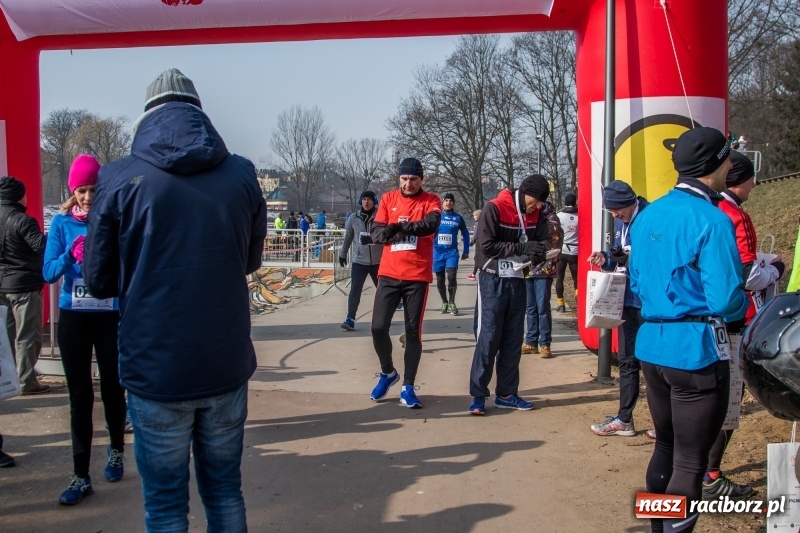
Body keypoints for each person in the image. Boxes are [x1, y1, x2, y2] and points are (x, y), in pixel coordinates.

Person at [83, 68, 267, 532]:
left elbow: (99, 280)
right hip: (224, 359)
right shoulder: (241, 174)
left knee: (165, 506)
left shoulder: (119, 177)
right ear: (199, 113)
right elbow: (249, 260)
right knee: (225, 491)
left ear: (147, 115)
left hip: (156, 364)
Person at [629, 126, 749, 533]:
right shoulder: (712, 220)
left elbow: (638, 281)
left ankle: (657, 528)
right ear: (715, 164)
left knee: (665, 445)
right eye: (728, 158)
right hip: (696, 347)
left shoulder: (647, 215)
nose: (732, 164)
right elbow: (725, 298)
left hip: (653, 343)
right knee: (689, 462)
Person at [42, 154, 127, 505]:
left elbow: (128, 266)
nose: (88, 197)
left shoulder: (111, 220)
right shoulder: (61, 224)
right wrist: (70, 257)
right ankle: (80, 476)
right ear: (72, 190)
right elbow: (47, 272)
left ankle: (117, 451)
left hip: (108, 314)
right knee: (79, 396)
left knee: (111, 387)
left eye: (93, 189)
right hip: (74, 317)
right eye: (81, 190)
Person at [703, 150, 785, 500]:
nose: (755, 183)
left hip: (699, 320)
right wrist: (776, 270)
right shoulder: (733, 214)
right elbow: (749, 275)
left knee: (704, 396)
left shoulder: (702, 209)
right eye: (752, 177)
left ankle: (695, 470)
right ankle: (710, 476)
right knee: (728, 402)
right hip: (735, 320)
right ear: (741, 178)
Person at [468, 174, 550, 415]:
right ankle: (478, 394)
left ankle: (506, 393)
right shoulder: (494, 208)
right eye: (535, 201)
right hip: (492, 279)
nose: (538, 206)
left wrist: (539, 252)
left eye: (540, 202)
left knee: (513, 339)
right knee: (489, 337)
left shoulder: (537, 214)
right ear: (524, 193)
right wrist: (520, 248)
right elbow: (486, 246)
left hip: (517, 278)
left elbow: (544, 239)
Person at [368, 157, 441, 409]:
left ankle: (408, 386)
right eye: (404, 179)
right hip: (388, 274)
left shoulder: (431, 200)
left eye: (413, 179)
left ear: (422, 179)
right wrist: (390, 230)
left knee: (412, 333)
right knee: (378, 328)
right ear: (398, 178)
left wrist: (399, 226)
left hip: (416, 277)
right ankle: (388, 372)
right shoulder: (388, 199)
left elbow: (429, 225)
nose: (408, 184)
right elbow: (377, 233)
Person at [586, 181, 649, 436]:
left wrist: (628, 260)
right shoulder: (624, 221)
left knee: (655, 365)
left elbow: (656, 257)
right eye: (611, 212)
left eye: (616, 211)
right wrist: (607, 258)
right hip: (627, 300)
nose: (614, 215)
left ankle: (666, 424)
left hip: (648, 302)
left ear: (629, 202)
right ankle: (625, 419)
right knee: (626, 360)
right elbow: (622, 254)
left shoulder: (647, 218)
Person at [0, 177, 48, 395]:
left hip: (2, 285)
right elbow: (40, 247)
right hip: (24, 286)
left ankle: (10, 379)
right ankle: (27, 380)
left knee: (7, 335)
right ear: (20, 195)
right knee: (28, 335)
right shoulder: (23, 220)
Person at [521, 200, 561, 359]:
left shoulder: (551, 219)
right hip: (527, 268)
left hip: (544, 270)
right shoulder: (527, 216)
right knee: (530, 308)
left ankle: (545, 343)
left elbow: (552, 243)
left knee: (542, 308)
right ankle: (531, 341)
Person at [338, 191, 382, 331]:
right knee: (355, 290)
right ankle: (350, 318)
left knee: (383, 291)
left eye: (369, 199)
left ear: (374, 201)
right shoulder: (353, 218)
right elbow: (348, 237)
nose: (366, 202)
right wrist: (342, 254)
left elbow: (387, 235)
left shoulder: (381, 216)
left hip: (378, 261)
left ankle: (383, 317)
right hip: (359, 261)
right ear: (360, 201)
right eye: (364, 199)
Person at [433, 193, 470, 315]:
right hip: (437, 252)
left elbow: (465, 233)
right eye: (446, 200)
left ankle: (452, 301)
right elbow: (428, 232)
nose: (448, 203)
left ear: (453, 203)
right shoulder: (436, 217)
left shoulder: (458, 218)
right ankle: (444, 302)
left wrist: (466, 250)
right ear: (442, 203)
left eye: (450, 201)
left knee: (452, 276)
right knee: (440, 279)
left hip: (451, 252)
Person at [554, 192, 578, 312]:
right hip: (575, 251)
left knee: (560, 277)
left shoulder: (558, 215)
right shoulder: (580, 216)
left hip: (562, 251)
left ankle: (561, 303)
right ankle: (578, 299)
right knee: (576, 278)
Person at [466, 209, 481, 281]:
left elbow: (476, 234)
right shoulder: (484, 222)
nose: (474, 217)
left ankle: (474, 275)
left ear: (478, 216)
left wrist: (472, 242)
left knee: (477, 258)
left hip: (479, 243)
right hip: (483, 243)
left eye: (475, 215)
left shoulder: (478, 223)